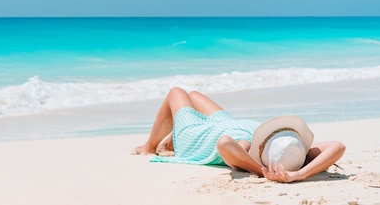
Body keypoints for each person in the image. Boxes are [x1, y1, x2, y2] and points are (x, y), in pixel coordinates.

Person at [132, 87, 345, 183]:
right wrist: (300, 174)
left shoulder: (246, 152)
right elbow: (338, 146)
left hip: (198, 136)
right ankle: (171, 139)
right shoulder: (296, 154)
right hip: (227, 123)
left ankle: (150, 146)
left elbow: (225, 143)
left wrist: (261, 171)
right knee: (195, 95)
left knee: (176, 92)